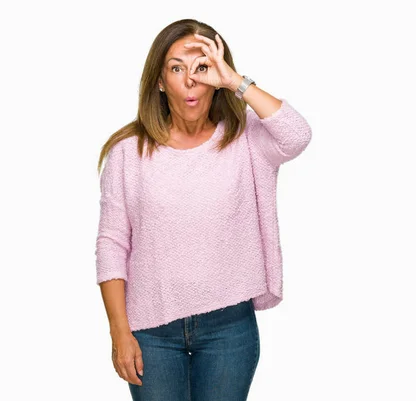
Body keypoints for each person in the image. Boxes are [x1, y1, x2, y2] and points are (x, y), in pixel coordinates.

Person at [95, 19, 312, 401]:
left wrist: (235, 81)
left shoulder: (245, 138)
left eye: (202, 67)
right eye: (177, 67)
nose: (190, 80)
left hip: (228, 328)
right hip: (150, 329)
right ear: (160, 81)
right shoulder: (129, 152)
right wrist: (119, 332)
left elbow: (297, 135)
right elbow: (112, 244)